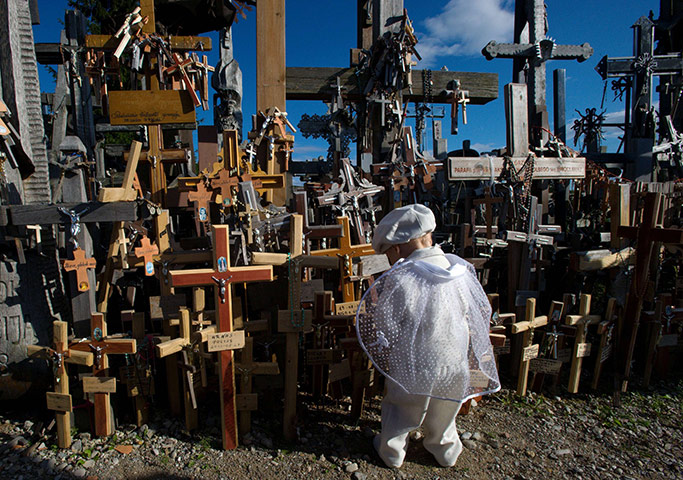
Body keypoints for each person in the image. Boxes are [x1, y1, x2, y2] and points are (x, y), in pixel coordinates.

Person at [356, 204, 499, 469]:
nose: (389, 259)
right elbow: (472, 311)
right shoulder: (457, 270)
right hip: (453, 358)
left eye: (387, 252)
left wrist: (386, 341)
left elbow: (387, 322)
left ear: (397, 247)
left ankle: (393, 450)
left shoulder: (403, 277)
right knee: (445, 409)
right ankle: (444, 449)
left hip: (415, 362)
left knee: (403, 406)